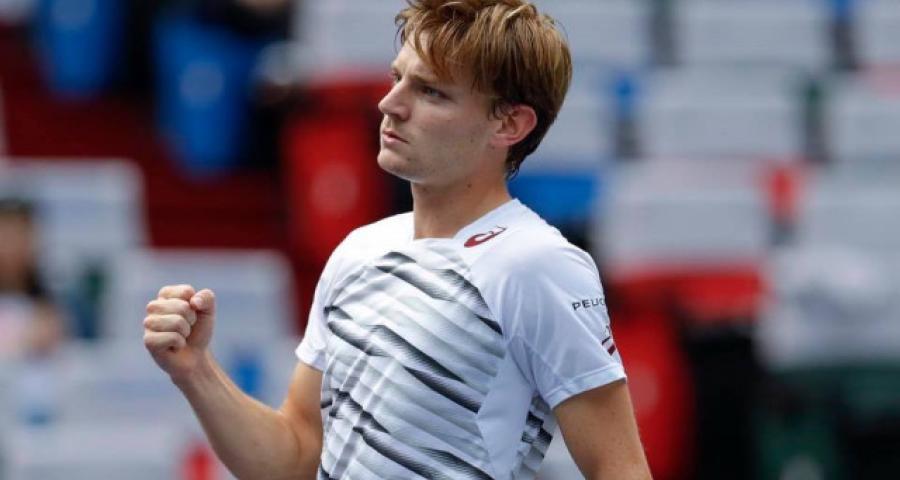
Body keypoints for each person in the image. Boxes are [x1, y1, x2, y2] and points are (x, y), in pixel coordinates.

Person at [143, 1, 652, 478]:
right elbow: (295, 456)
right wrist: (197, 371)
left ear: (510, 123)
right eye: (397, 78)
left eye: (431, 92)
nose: (389, 104)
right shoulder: (358, 251)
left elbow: (621, 469)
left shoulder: (541, 265)